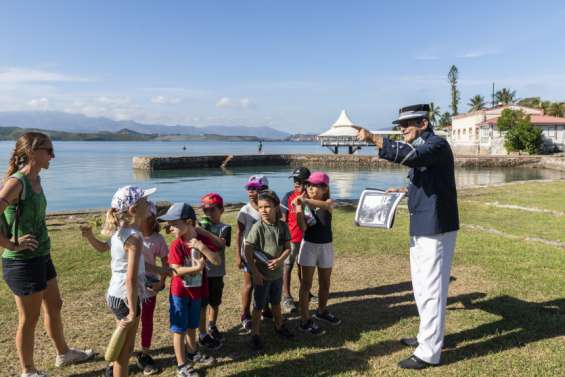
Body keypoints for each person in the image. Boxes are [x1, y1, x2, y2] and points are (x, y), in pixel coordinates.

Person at [356, 103, 459, 369]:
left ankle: (429, 353)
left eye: (406, 126)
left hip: (435, 227)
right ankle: (427, 337)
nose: (401, 131)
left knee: (432, 289)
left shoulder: (436, 145)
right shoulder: (426, 147)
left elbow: (413, 157)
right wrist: (403, 190)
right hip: (423, 225)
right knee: (422, 286)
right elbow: (428, 180)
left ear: (423, 124)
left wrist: (374, 139)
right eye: (399, 126)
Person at [0, 132, 94, 377]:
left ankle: (64, 353)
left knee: (54, 304)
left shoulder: (36, 180)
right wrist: (11, 244)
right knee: (28, 318)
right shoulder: (17, 182)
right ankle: (28, 370)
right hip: (22, 262)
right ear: (32, 151)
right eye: (48, 150)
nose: (53, 155)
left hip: (42, 256)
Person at [158, 203, 220, 377]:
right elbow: (175, 270)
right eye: (168, 225)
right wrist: (195, 269)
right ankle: (181, 365)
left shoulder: (201, 242)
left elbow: (217, 261)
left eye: (173, 224)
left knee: (193, 326)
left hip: (197, 293)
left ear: (189, 222)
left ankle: (193, 352)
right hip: (180, 294)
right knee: (179, 329)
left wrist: (202, 248)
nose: (169, 228)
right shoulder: (177, 245)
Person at [102, 185, 155, 377]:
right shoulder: (134, 238)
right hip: (126, 299)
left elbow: (134, 266)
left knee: (125, 348)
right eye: (145, 201)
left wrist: (159, 269)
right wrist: (133, 310)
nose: (149, 204)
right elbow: (130, 278)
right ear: (133, 210)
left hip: (114, 295)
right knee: (124, 355)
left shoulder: (119, 231)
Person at [244, 190, 294, 351]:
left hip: (277, 275)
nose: (263, 210)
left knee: (276, 303)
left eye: (267, 207)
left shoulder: (282, 226)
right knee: (258, 307)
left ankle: (279, 326)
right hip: (262, 277)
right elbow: (248, 251)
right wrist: (256, 273)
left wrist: (279, 260)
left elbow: (287, 248)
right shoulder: (257, 228)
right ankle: (255, 335)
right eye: (260, 207)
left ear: (276, 207)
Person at [294, 172, 341, 337]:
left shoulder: (329, 202)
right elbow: (303, 228)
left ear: (325, 188)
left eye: (315, 186)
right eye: (309, 185)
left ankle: (321, 311)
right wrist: (299, 209)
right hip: (309, 246)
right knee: (306, 284)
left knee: (325, 282)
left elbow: (327, 206)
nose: (311, 189)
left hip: (326, 247)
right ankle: (304, 319)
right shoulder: (304, 205)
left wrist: (304, 200)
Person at [235, 175, 268, 332]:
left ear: (264, 190)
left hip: (267, 253)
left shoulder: (269, 208)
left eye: (254, 188)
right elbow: (239, 233)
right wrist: (238, 255)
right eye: (249, 188)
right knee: (249, 284)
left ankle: (265, 308)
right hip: (249, 254)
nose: (250, 191)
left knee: (266, 281)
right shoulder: (244, 211)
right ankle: (245, 314)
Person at [197, 193, 231, 346]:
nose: (208, 214)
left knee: (215, 302)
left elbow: (221, 244)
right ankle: (202, 331)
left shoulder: (225, 227)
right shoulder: (199, 225)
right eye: (205, 211)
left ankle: (212, 325)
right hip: (201, 272)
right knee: (202, 304)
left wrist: (205, 232)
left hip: (216, 272)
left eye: (212, 210)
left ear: (221, 210)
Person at [280, 167, 311, 313]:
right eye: (294, 180)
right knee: (288, 266)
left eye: (299, 181)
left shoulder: (312, 198)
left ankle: (306, 291)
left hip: (308, 239)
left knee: (304, 266)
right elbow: (283, 219)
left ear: (307, 182)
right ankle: (286, 296)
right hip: (292, 239)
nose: (296, 183)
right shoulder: (288, 196)